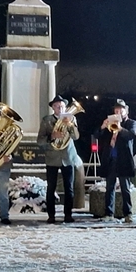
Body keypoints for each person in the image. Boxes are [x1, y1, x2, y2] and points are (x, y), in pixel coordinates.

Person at [37, 95, 79, 223]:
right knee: (51, 188)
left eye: (62, 106)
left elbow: (76, 137)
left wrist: (70, 125)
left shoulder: (72, 118)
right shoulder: (47, 120)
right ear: (53, 108)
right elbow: (40, 141)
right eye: (56, 106)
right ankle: (51, 216)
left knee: (69, 188)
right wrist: (52, 136)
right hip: (52, 157)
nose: (59, 108)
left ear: (65, 107)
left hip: (68, 157)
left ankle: (68, 215)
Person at [98, 98, 136, 223]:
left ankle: (128, 213)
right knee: (109, 188)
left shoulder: (131, 123)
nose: (118, 112)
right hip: (111, 159)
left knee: (125, 188)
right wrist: (103, 127)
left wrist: (120, 128)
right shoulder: (109, 123)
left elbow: (131, 135)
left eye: (121, 110)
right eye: (116, 110)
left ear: (126, 111)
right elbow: (98, 136)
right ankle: (108, 213)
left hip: (123, 160)